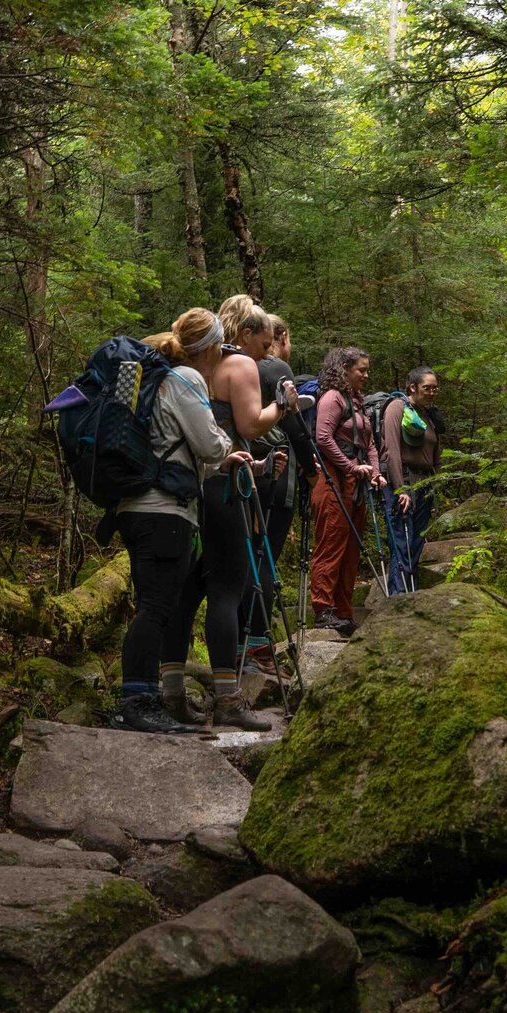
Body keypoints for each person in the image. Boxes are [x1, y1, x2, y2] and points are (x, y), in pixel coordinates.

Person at [114, 308, 253, 735]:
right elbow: (210, 444)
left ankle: (150, 697)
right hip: (165, 511)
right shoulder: (186, 377)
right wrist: (223, 446)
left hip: (132, 503)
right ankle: (138, 701)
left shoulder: (148, 375)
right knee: (155, 607)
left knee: (152, 605)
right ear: (211, 347)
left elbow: (164, 443)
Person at [174, 295, 298, 731]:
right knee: (229, 586)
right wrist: (283, 404)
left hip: (189, 487)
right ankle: (228, 699)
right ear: (245, 335)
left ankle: (171, 687)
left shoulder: (187, 366)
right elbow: (248, 426)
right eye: (264, 344)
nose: (264, 353)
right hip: (227, 485)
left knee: (189, 587)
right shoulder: (238, 365)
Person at [237, 311, 318, 672]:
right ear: (280, 338)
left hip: (239, 471)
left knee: (246, 554)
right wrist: (313, 473)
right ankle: (257, 642)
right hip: (275, 472)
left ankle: (239, 640)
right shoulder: (275, 369)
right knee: (266, 555)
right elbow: (296, 427)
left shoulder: (231, 364)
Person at [311, 346, 385, 634]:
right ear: (344, 368)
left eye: (367, 370)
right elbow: (323, 437)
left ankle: (343, 610)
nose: (366, 375)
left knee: (351, 549)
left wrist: (375, 473)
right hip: (333, 482)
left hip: (357, 484)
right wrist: (351, 467)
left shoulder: (357, 401)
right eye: (361, 370)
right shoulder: (332, 398)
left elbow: (369, 444)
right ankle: (323, 608)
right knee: (331, 544)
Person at [382, 367, 443, 595]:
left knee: (416, 544)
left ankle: (410, 593)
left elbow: (436, 454)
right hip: (405, 483)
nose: (432, 392)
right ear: (413, 387)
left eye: (435, 388)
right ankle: (399, 598)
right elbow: (392, 451)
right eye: (427, 388)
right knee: (401, 543)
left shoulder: (429, 415)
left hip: (425, 485)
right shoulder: (397, 408)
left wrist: (436, 484)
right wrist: (400, 489)